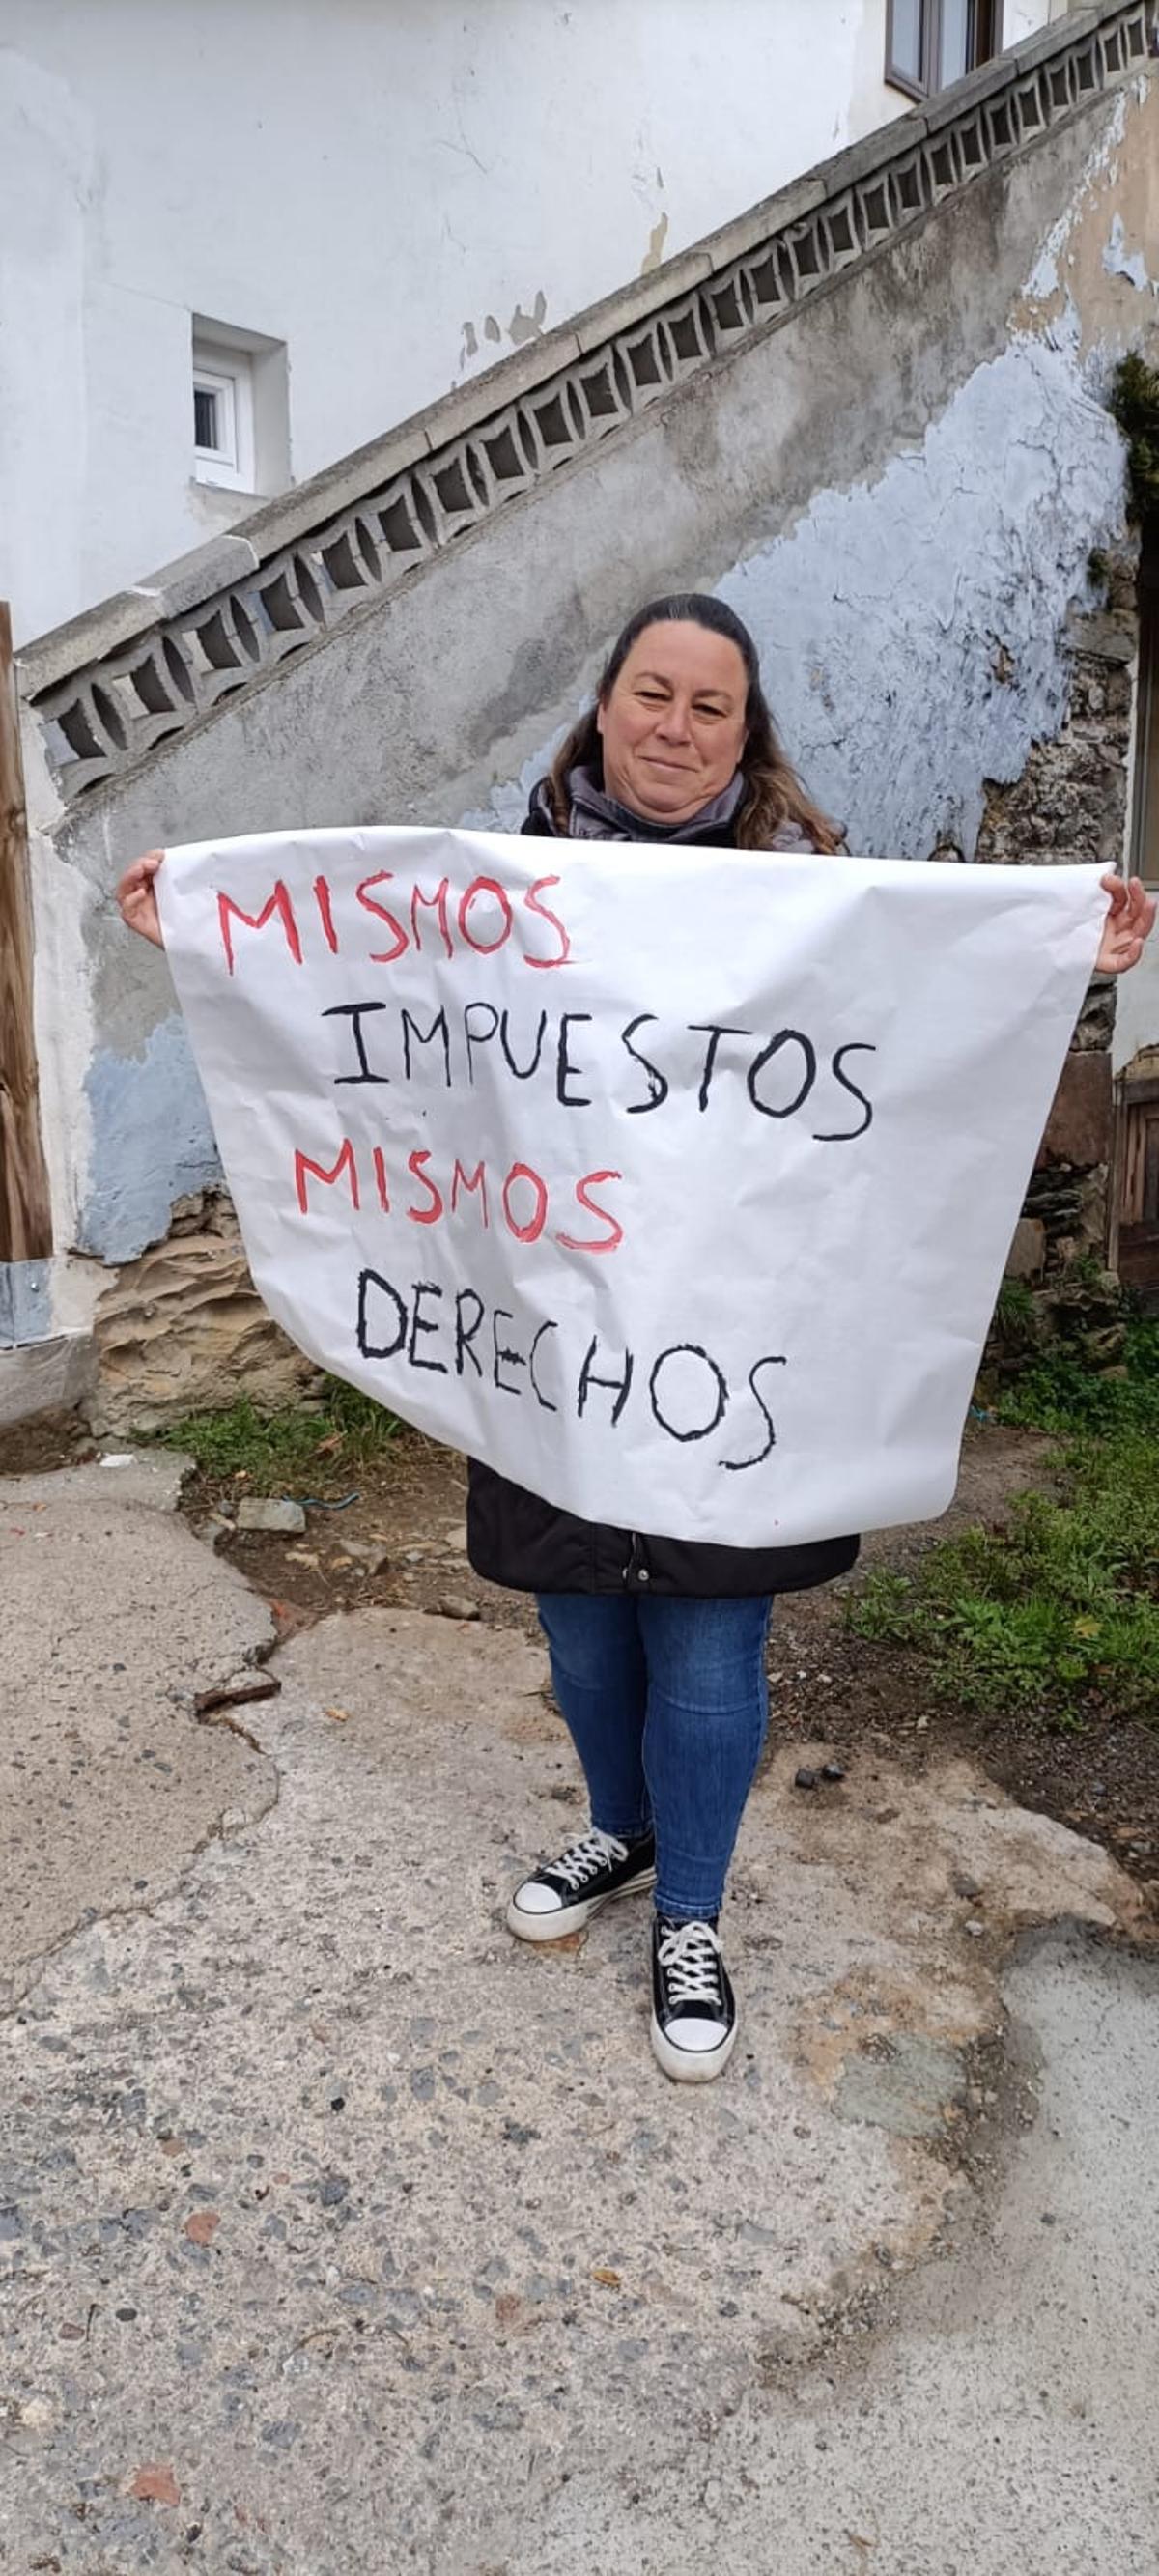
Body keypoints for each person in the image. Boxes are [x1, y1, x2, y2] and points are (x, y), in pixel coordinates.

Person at [117, 592, 1156, 2087]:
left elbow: (940, 1022)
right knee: (583, 1635)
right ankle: (618, 1826)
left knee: (714, 1651)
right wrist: (207, 920)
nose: (675, 728)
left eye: (709, 706)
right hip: (552, 1354)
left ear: (748, 733)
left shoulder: (813, 906)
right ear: (604, 707)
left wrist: (1080, 944)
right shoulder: (499, 892)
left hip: (730, 1374)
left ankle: (689, 1913)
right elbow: (353, 1002)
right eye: (652, 695)